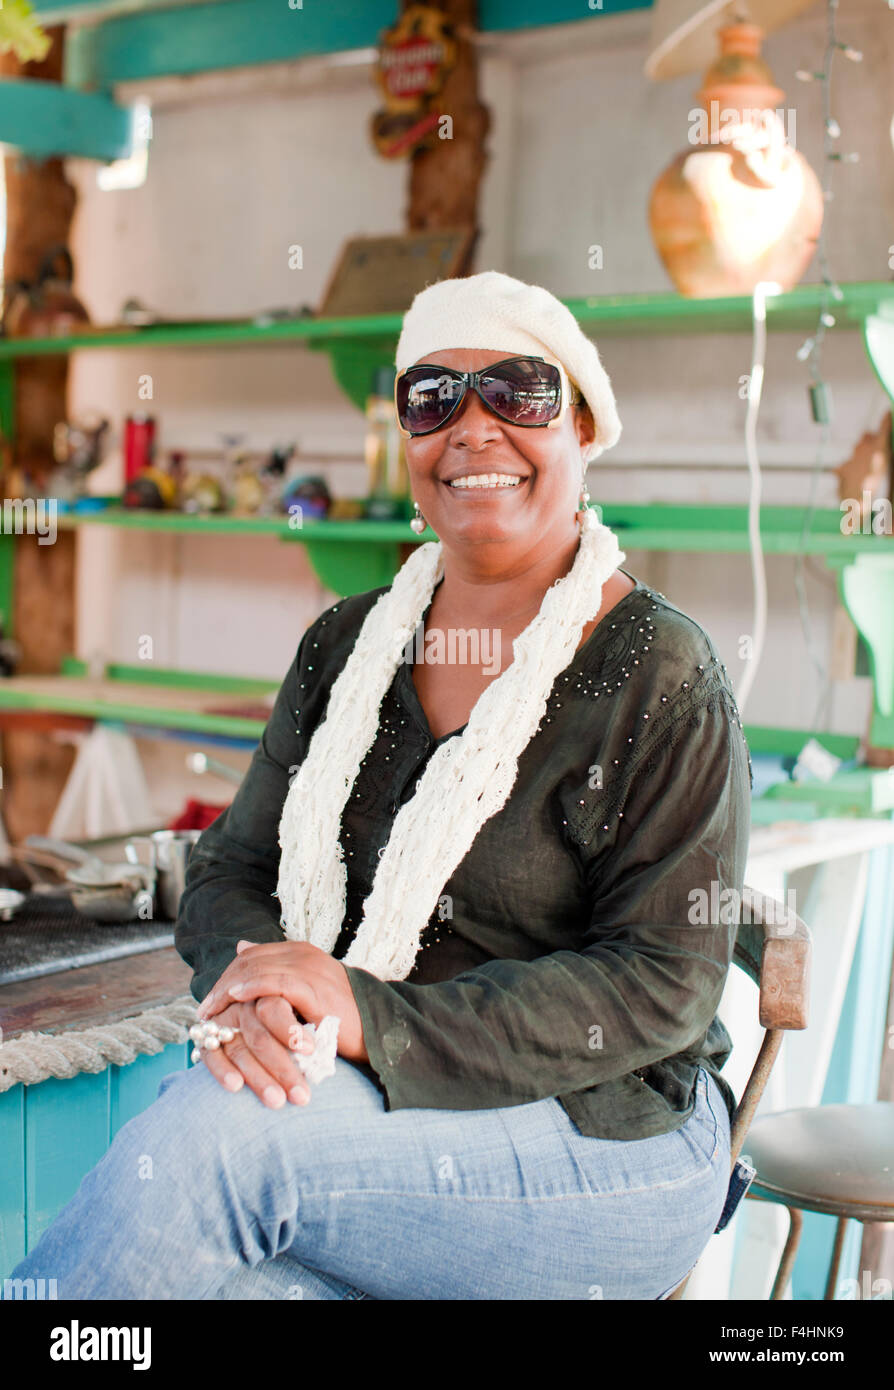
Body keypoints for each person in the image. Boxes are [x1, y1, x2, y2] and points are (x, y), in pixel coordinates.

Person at [6, 270, 753, 1301]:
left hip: (611, 1138)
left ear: (583, 422)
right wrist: (260, 987)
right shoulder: (345, 648)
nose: (473, 429)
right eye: (433, 398)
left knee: (219, 1142)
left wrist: (364, 1013)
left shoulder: (664, 675)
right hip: (371, 1119)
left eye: (519, 392)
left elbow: (661, 984)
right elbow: (231, 870)